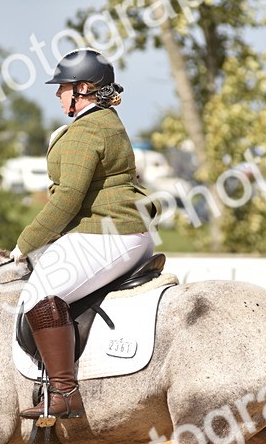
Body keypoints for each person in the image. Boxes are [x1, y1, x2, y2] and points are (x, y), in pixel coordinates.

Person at [9, 48, 156, 419]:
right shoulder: (105, 121)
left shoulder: (86, 132)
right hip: (117, 231)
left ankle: (64, 392)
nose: (58, 93)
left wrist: (26, 243)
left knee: (40, 296)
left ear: (84, 88)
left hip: (107, 233)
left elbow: (67, 199)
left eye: (63, 86)